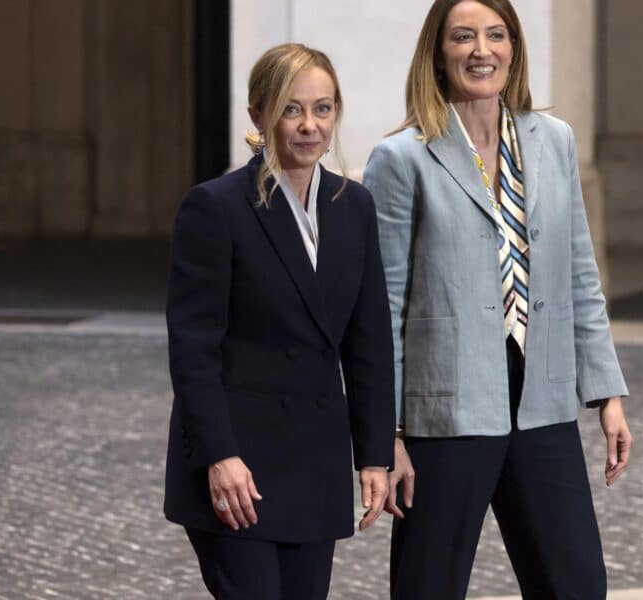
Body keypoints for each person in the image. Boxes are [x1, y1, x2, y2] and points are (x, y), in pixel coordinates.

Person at [362, 1, 634, 598]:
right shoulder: (402, 158)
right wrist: (388, 435)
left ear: (514, 47)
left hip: (544, 402)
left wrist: (607, 394)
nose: (481, 50)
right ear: (438, 53)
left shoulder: (552, 140)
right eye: (463, 37)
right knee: (428, 586)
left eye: (496, 35)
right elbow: (380, 310)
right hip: (445, 414)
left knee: (577, 584)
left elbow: (580, 276)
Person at [163, 43, 394, 600]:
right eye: (292, 109)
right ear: (258, 116)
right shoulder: (215, 207)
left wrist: (375, 454)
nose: (310, 126)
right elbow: (194, 350)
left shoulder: (353, 207)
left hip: (314, 464)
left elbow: (369, 343)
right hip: (237, 470)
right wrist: (220, 455)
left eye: (322, 108)